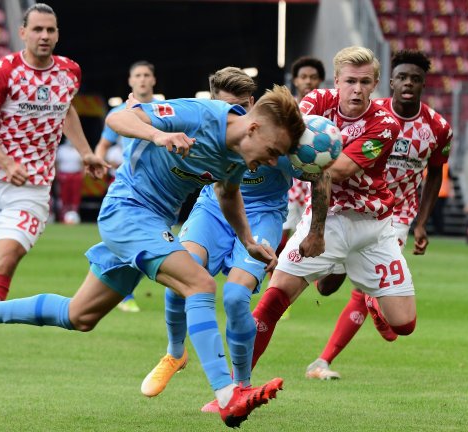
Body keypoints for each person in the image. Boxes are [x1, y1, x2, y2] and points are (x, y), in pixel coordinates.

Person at [0, 84, 305, 427]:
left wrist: (247, 240)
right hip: (128, 210)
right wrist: (157, 134)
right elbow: (119, 118)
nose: (273, 161)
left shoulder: (238, 154)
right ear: (255, 127)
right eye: (274, 150)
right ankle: (228, 396)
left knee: (79, 315)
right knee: (199, 283)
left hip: (152, 222)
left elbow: (228, 194)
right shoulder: (200, 116)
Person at [139, 67, 330, 413]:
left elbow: (320, 175)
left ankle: (241, 385)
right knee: (181, 273)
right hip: (212, 209)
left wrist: (317, 230)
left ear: (253, 104)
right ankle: (175, 353)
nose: (237, 117)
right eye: (227, 108)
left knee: (237, 296)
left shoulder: (279, 138)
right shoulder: (207, 125)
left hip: (262, 217)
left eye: (243, 106)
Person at [247, 46, 417, 379]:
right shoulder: (314, 104)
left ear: (375, 83)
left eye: (365, 82)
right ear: (336, 81)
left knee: (404, 324)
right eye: (350, 81)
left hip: (375, 227)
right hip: (331, 214)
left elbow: (335, 171)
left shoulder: (385, 125)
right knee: (275, 298)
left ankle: (370, 297)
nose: (357, 89)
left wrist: (291, 156)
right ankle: (234, 388)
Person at [0, 2, 107, 369]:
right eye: (37, 30)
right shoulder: (3, 71)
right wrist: (8, 163)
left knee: (5, 264)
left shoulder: (69, 71)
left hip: (33, 187)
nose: (45, 37)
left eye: (51, 30)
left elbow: (66, 108)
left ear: (57, 34)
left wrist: (86, 152)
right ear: (22, 32)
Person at [304, 49, 453, 380]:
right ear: (390, 82)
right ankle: (361, 308)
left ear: (424, 83)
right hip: (354, 208)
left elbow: (436, 174)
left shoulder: (438, 128)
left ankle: (323, 361)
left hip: (396, 216)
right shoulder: (373, 115)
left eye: (415, 78)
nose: (408, 83)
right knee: (327, 288)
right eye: (402, 77)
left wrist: (422, 223)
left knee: (366, 291)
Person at [94, 61, 158, 313]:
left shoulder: (165, 110)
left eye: (146, 75)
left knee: (151, 241)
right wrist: (100, 161)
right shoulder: (120, 113)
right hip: (129, 187)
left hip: (160, 190)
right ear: (130, 81)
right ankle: (125, 294)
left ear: (153, 80)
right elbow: (102, 146)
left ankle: (117, 287)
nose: (142, 79)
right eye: (137, 76)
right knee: (131, 239)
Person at [275, 56, 326, 321]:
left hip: (318, 180)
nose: (308, 81)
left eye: (313, 77)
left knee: (312, 230)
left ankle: (310, 274)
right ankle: (279, 286)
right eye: (303, 77)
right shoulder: (288, 107)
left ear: (320, 80)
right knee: (283, 232)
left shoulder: (326, 110)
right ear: (295, 80)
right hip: (291, 179)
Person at [55, 138, 84, 224]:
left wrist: (82, 174)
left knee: (75, 196)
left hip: (76, 174)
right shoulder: (62, 149)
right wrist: (57, 174)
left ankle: (75, 214)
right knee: (64, 196)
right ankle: (62, 216)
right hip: (64, 175)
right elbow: (57, 163)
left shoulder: (78, 148)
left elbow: (82, 163)